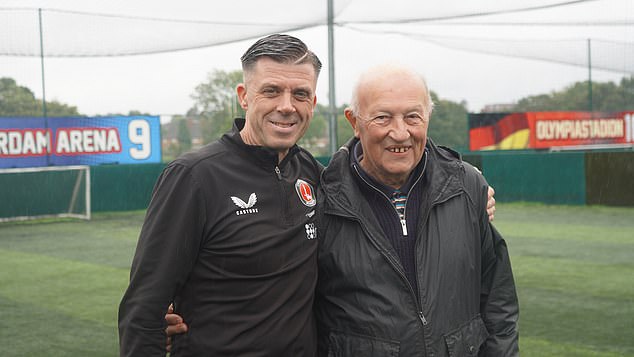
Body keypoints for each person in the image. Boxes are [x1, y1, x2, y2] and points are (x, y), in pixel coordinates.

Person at [118, 34, 324, 356]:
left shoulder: (311, 171)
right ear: (244, 96)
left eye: (300, 94)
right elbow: (144, 309)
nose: (286, 106)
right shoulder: (194, 177)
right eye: (271, 91)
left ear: (312, 103)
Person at [313, 64, 519, 356]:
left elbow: (499, 303)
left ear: (428, 118)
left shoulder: (466, 186)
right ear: (354, 122)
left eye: (413, 117)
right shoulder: (323, 201)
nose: (400, 133)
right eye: (383, 117)